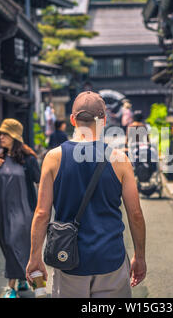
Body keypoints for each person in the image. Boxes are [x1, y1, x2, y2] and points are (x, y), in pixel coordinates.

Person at [26, 91, 147, 298]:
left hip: (68, 259)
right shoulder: (120, 160)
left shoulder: (54, 158)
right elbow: (135, 214)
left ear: (72, 119)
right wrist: (140, 256)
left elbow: (41, 213)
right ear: (104, 120)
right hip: (111, 258)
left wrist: (35, 257)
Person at [0, 118, 40, 298]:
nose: (1, 136)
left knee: (14, 243)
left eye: (5, 134)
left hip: (24, 210)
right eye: (0, 133)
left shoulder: (29, 159)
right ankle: (23, 279)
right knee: (7, 245)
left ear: (14, 137)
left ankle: (11, 287)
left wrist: (43, 210)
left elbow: (40, 181)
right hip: (1, 210)